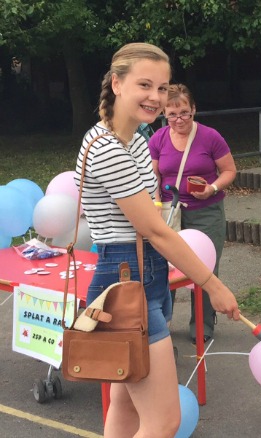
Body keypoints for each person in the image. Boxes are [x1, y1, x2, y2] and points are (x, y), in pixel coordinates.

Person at [75, 42, 240, 437]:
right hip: (125, 277)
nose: (156, 96)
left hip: (143, 273)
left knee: (125, 408)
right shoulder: (108, 147)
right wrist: (212, 285)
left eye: (163, 88)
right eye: (145, 85)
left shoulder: (135, 140)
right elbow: (154, 229)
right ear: (116, 83)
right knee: (165, 422)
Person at [148, 84, 237, 343]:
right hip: (169, 210)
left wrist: (211, 188)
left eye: (184, 113)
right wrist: (155, 202)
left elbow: (230, 171)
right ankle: (162, 321)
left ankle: (203, 324)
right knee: (167, 266)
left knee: (204, 266)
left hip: (206, 211)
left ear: (194, 109)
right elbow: (153, 174)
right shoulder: (158, 138)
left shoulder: (210, 137)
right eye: (172, 114)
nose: (179, 120)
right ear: (164, 113)